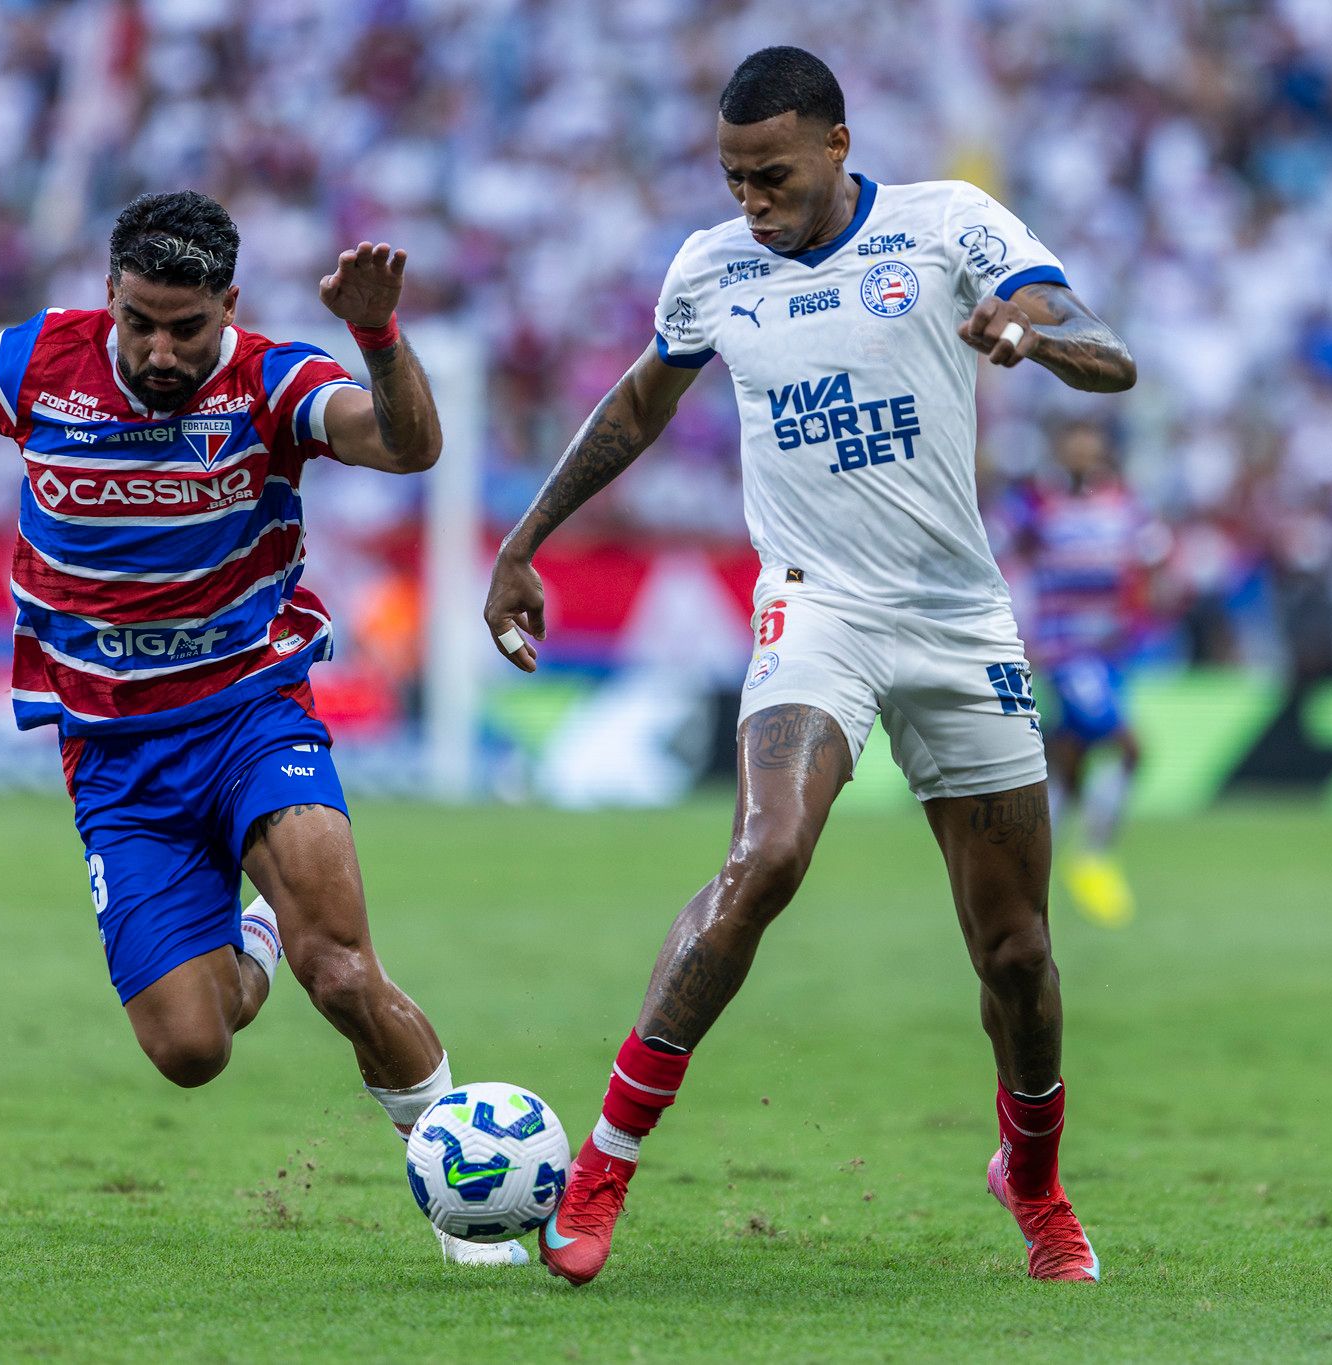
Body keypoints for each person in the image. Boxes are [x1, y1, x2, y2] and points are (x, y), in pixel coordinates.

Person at [0, 190, 527, 1266]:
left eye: (184, 327)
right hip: (111, 754)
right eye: (138, 320)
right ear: (108, 295)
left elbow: (405, 446)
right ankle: (252, 934)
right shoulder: (37, 365)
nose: (158, 349)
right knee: (192, 1049)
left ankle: (463, 1203)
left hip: (251, 714)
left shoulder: (270, 379)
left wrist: (376, 335)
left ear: (227, 307)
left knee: (338, 967)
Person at [484, 47, 1134, 1285]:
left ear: (837, 145)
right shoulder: (710, 268)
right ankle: (605, 1162)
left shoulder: (948, 226)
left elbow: (1109, 351)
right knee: (764, 854)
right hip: (813, 603)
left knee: (1014, 957)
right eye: (732, 177)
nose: (750, 200)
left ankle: (1033, 1178)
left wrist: (1030, 338)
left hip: (955, 618)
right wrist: (524, 541)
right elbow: (636, 405)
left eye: (770, 174)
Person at [1020, 420, 1159, 928]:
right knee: (1128, 747)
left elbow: (1149, 561)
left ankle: (1032, 867)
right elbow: (1009, 561)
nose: (1082, 454)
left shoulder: (1122, 502)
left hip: (1110, 652)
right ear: (1060, 452)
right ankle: (1093, 857)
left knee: (1069, 761)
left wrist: (1140, 616)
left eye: (1089, 446)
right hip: (1066, 650)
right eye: (1072, 445)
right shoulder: (1036, 503)